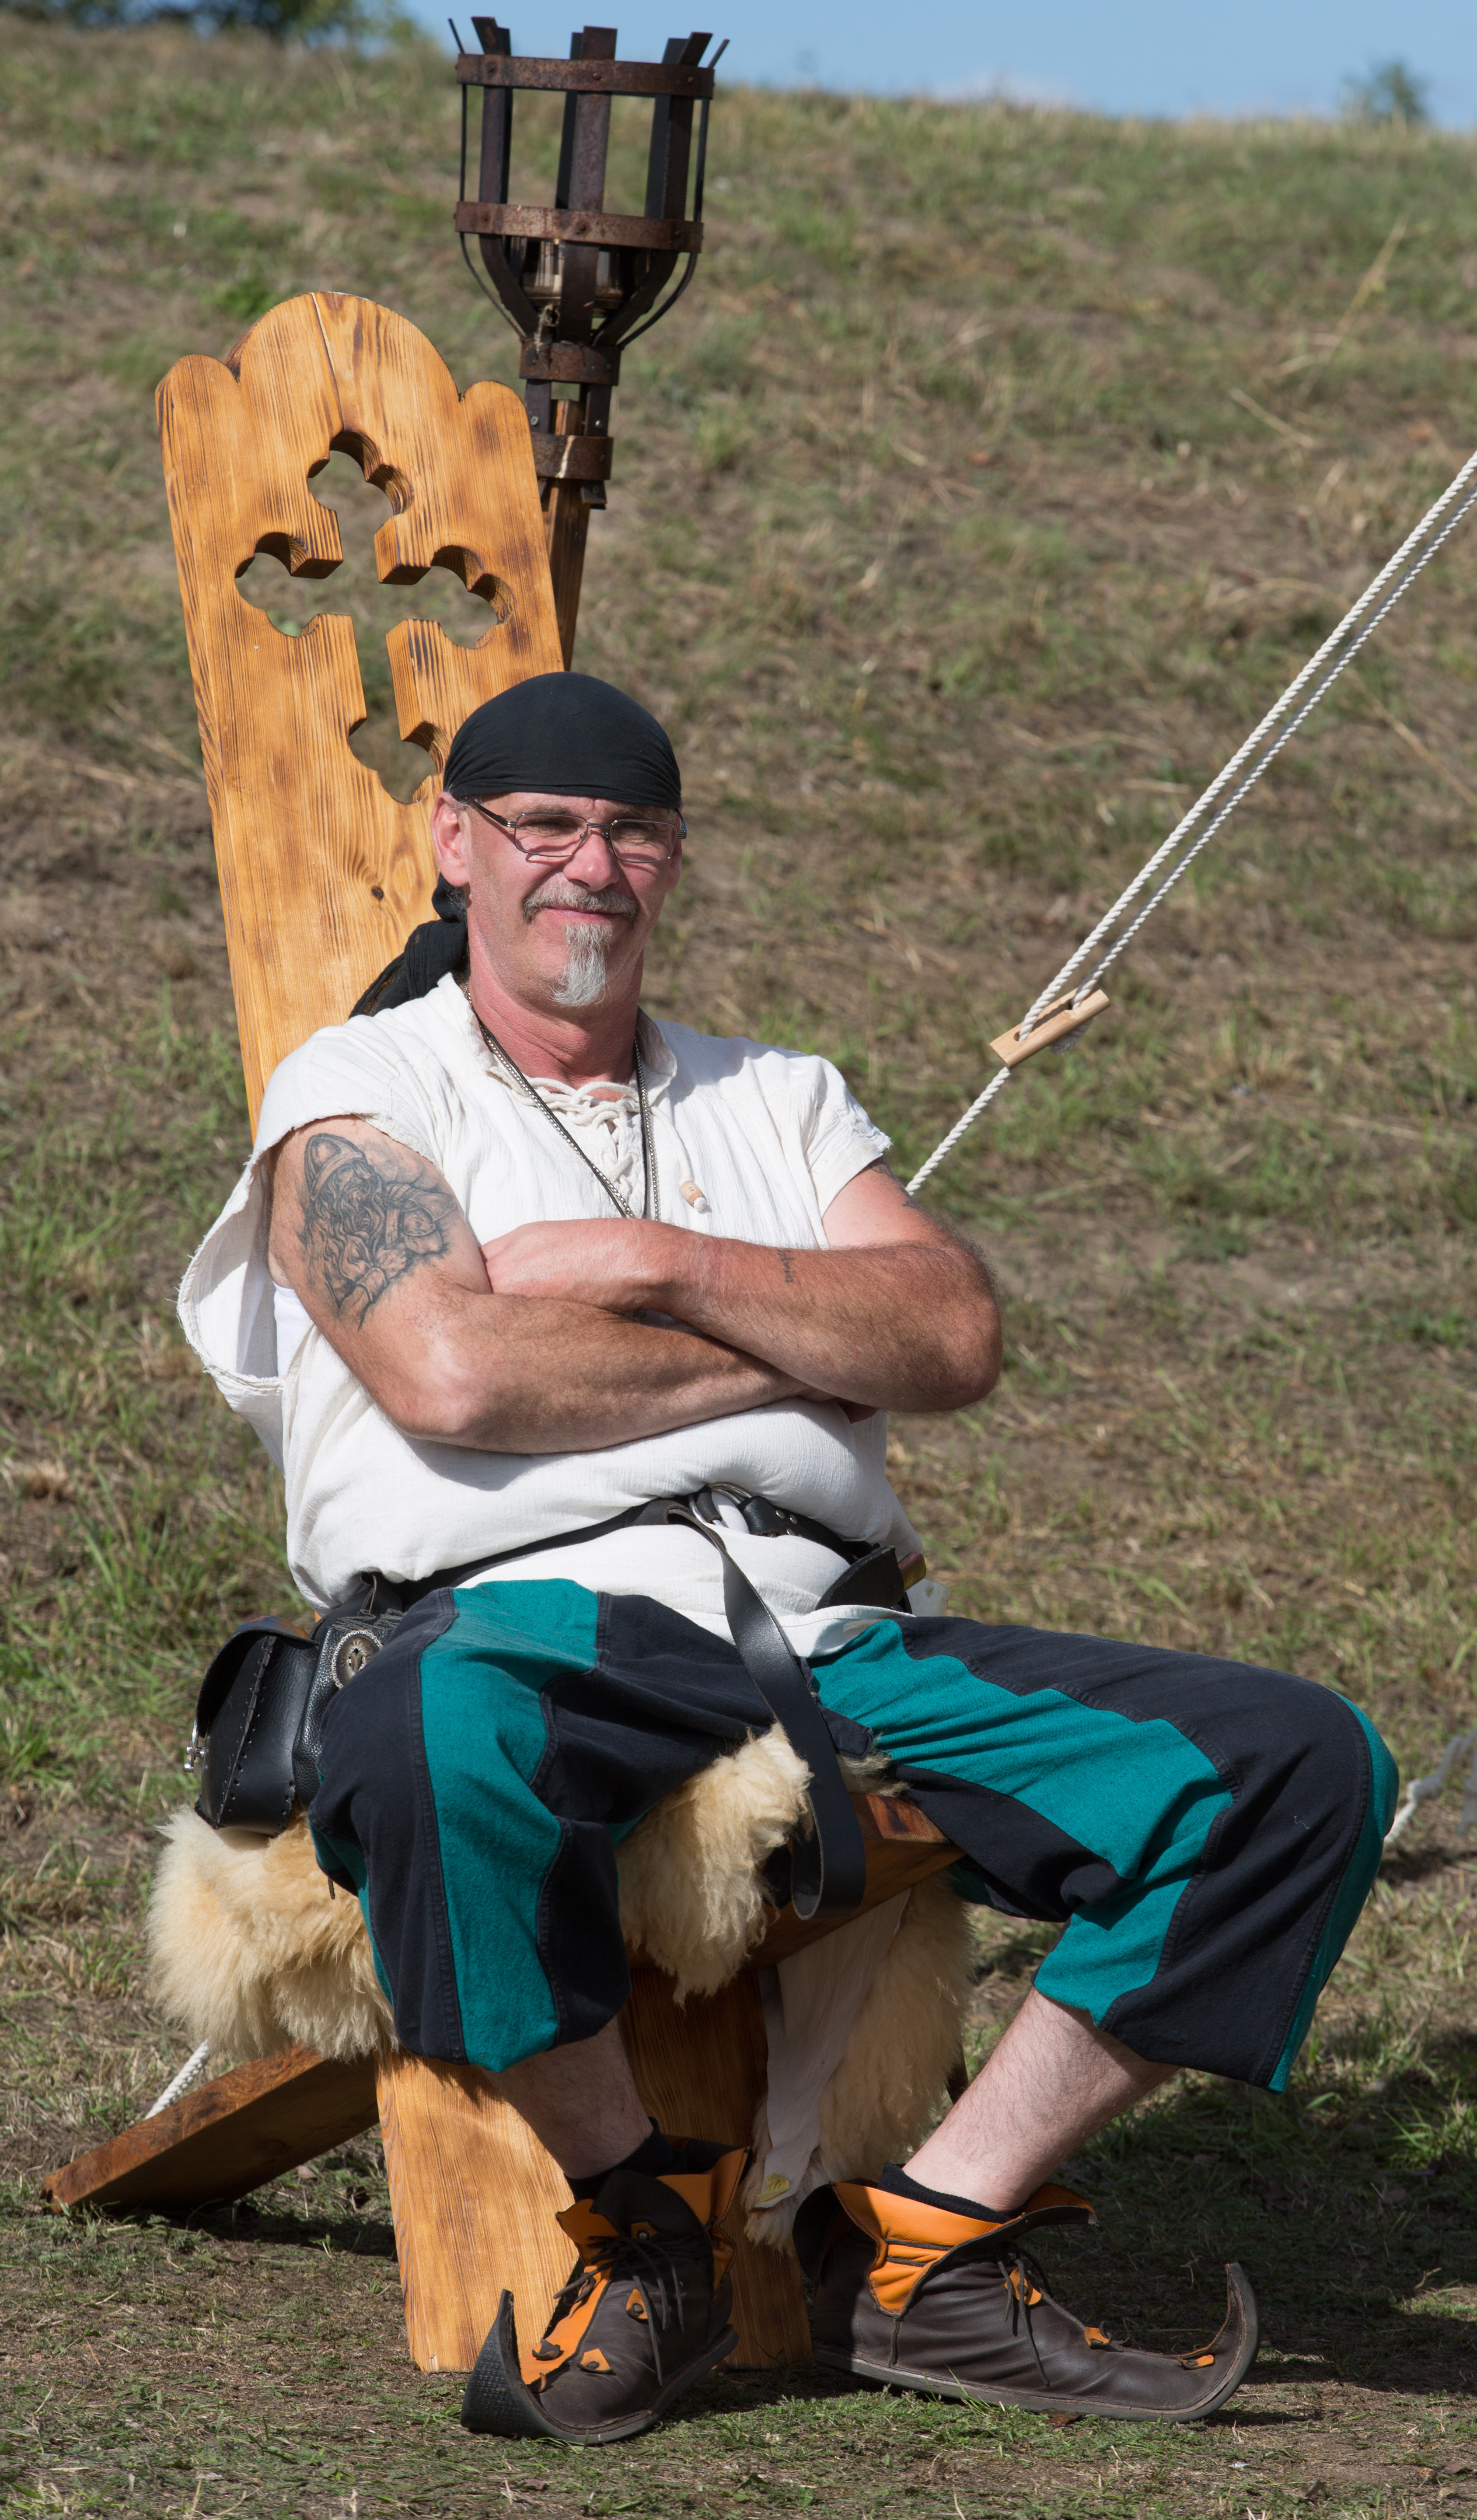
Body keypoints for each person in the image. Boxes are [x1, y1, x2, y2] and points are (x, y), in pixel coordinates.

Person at [180, 671, 1397, 2446]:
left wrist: (657, 1265)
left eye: (632, 833)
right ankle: (644, 2230)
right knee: (427, 1740)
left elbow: (952, 1332)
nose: (590, 866)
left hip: (818, 1637)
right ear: (456, 844)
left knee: (1297, 1766)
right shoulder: (361, 1090)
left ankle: (931, 2246)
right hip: (519, 1625)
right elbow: (452, 1370)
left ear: (672, 861)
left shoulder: (779, 1098)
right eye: (544, 828)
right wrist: (803, 1351)